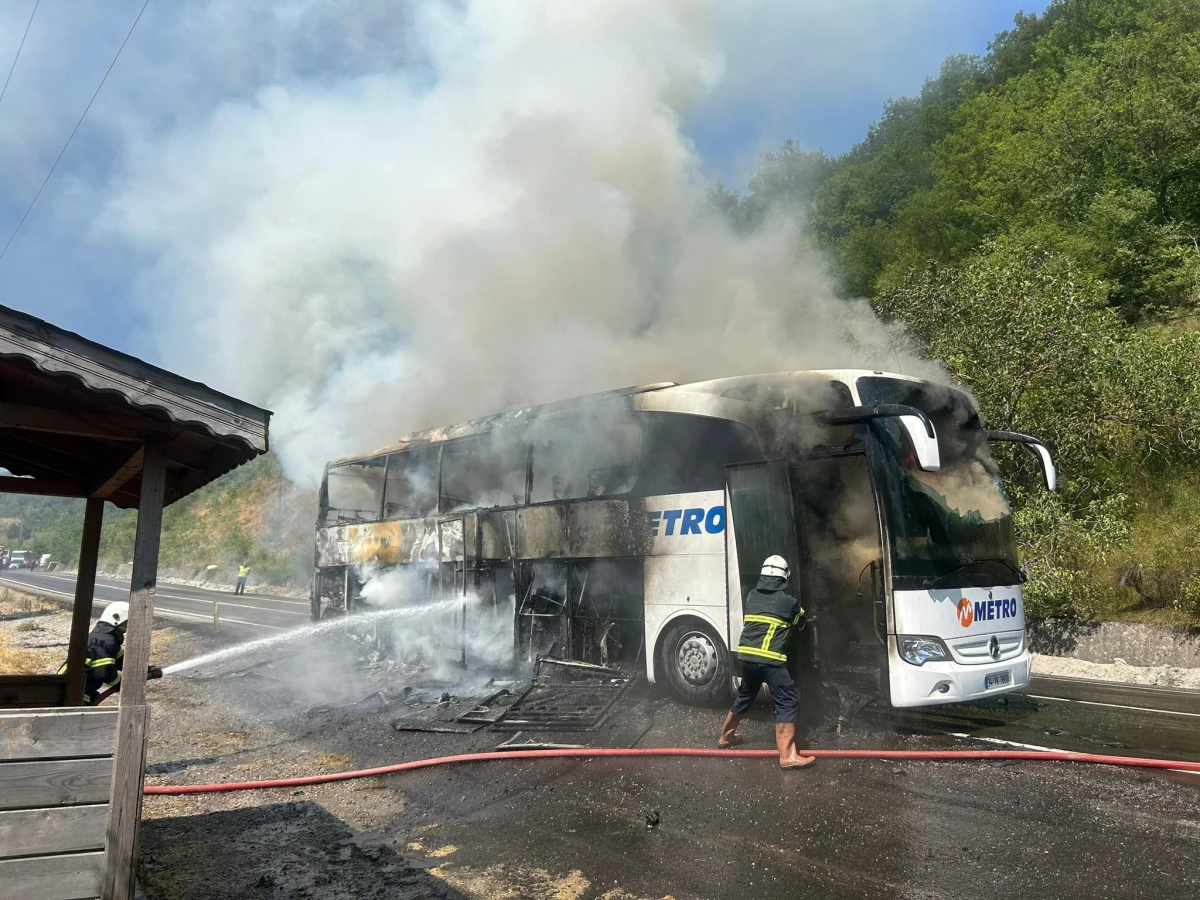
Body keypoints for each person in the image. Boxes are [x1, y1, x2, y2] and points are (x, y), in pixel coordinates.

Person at [717, 555, 816, 768]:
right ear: (784, 578)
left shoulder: (752, 596)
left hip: (746, 656)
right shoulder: (788, 602)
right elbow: (800, 625)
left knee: (746, 694)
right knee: (787, 701)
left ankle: (726, 737)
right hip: (770, 659)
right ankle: (788, 756)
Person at [57, 601, 162, 705]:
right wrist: (122, 682)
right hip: (71, 696)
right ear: (117, 618)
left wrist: (147, 669)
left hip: (69, 691)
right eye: (128, 621)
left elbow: (123, 662)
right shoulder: (106, 641)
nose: (130, 625)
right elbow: (104, 672)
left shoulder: (103, 637)